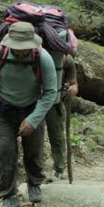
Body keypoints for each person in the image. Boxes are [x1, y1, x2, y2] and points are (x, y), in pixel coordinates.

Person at [0, 22, 57, 207]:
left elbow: (50, 92)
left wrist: (33, 119)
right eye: (17, 47)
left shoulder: (43, 58)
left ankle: (34, 184)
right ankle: (8, 195)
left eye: (25, 48)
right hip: (3, 111)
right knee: (5, 151)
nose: (21, 51)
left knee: (33, 150)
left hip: (32, 109)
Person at [45, 54, 78, 182]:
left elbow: (74, 84)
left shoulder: (67, 60)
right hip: (34, 98)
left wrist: (72, 89)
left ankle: (58, 168)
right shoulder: (35, 53)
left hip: (55, 101)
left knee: (57, 135)